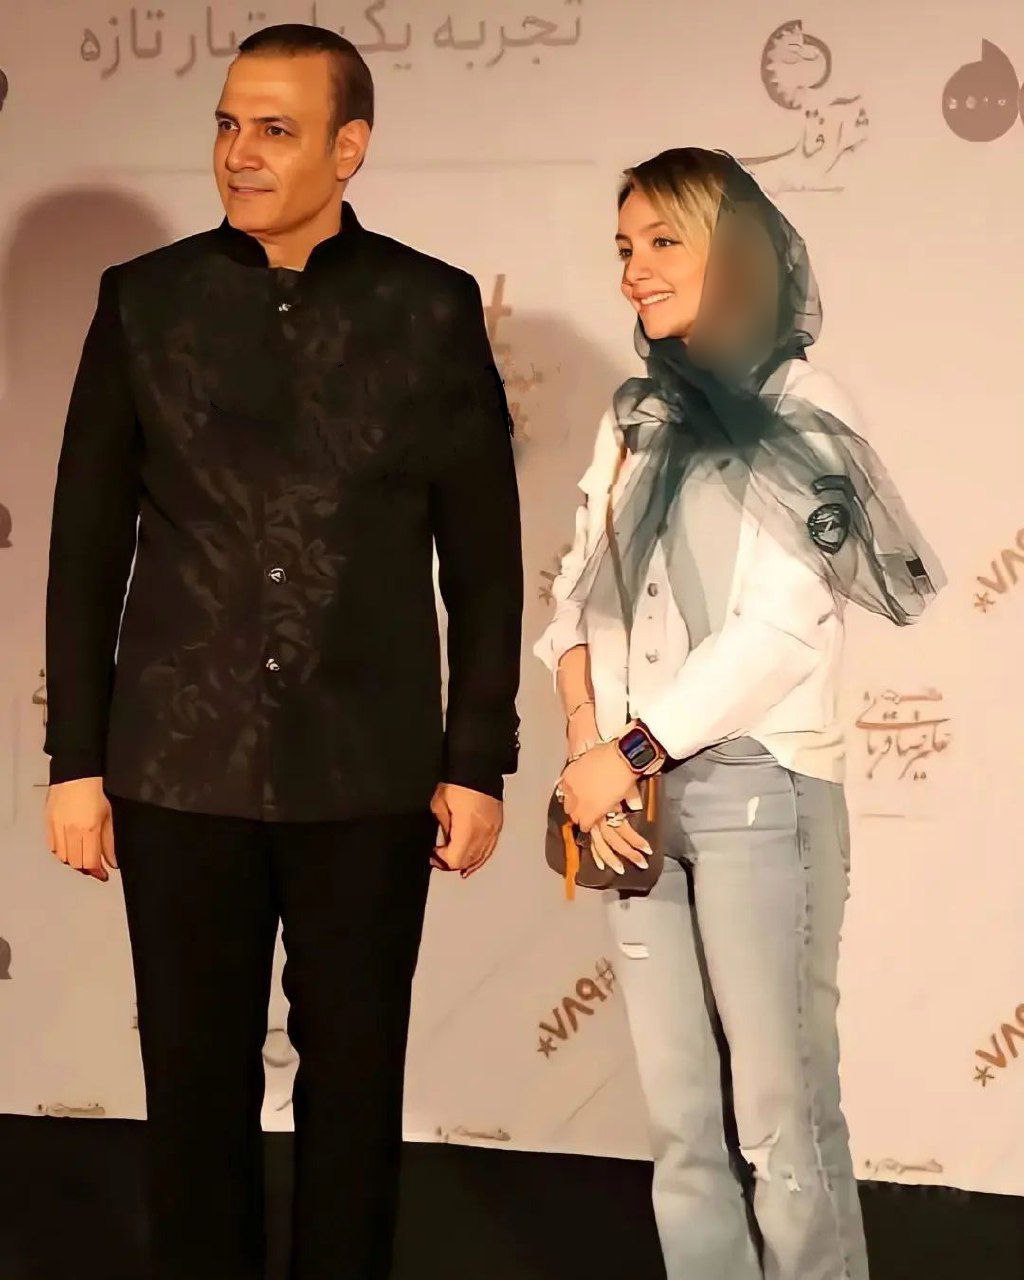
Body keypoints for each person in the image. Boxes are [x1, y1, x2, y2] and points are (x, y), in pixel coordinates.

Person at [41, 24, 522, 1280]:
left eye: (274, 129)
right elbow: (85, 548)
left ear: (348, 148)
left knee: (355, 1089)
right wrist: (75, 759)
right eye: (225, 125)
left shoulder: (429, 307)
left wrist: (476, 757)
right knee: (190, 1087)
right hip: (176, 762)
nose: (239, 153)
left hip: (366, 766)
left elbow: (482, 556)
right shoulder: (143, 300)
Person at [534, 147, 943, 1280]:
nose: (634, 268)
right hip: (625, 800)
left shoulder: (805, 406)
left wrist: (627, 748)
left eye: (664, 240)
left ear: (739, 250)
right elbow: (571, 602)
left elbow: (780, 629)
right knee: (680, 1126)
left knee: (779, 1117)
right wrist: (586, 747)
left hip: (759, 787)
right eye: (625, 246)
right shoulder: (634, 417)